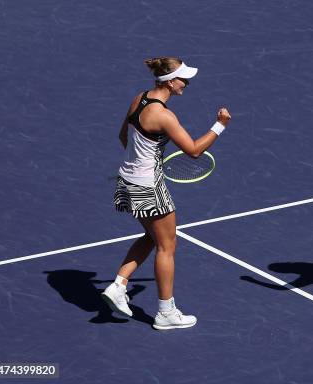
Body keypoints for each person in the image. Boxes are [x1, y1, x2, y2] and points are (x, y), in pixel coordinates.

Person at [102, 57, 231, 330]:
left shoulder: (140, 98)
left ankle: (118, 284)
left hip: (128, 180)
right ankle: (165, 312)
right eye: (184, 79)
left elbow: (123, 136)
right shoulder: (164, 116)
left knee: (153, 236)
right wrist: (220, 125)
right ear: (170, 82)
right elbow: (194, 150)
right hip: (149, 186)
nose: (187, 83)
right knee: (167, 245)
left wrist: (144, 158)